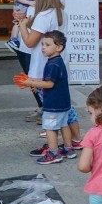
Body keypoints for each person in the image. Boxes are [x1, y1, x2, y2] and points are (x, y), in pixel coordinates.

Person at [20, 30, 76, 164]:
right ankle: (68, 149)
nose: (43, 47)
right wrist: (35, 82)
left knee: (50, 128)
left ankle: (53, 153)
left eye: (47, 44)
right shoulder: (58, 61)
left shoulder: (52, 64)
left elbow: (49, 84)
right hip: (63, 102)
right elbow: (50, 80)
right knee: (64, 125)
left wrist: (31, 82)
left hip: (53, 104)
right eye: (43, 44)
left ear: (59, 47)